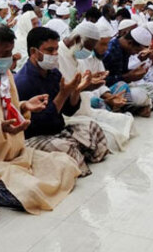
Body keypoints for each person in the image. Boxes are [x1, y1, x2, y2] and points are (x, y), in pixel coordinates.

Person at [0, 23, 80, 213]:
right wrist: (0, 128)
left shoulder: (4, 72)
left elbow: (4, 108)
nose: (10, 58)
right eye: (5, 53)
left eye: (11, 51)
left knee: (67, 165)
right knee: (30, 192)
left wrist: (25, 106)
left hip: (16, 151)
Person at [14, 27, 109, 176]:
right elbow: (41, 122)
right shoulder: (23, 82)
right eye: (49, 50)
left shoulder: (53, 72)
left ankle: (76, 158)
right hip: (35, 137)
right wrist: (64, 94)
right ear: (33, 52)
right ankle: (76, 159)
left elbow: (68, 110)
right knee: (65, 147)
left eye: (56, 50)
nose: (54, 55)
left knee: (92, 127)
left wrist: (76, 91)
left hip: (57, 130)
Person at [57, 22, 135, 151]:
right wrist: (86, 86)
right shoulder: (58, 55)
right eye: (89, 48)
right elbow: (64, 92)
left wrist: (92, 80)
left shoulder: (75, 53)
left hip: (86, 110)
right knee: (109, 138)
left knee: (126, 121)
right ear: (77, 39)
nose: (90, 52)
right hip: (70, 116)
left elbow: (82, 81)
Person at [102, 26, 153, 116]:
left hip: (125, 86)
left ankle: (144, 105)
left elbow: (123, 73)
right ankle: (141, 106)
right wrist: (127, 77)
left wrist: (135, 73)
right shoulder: (109, 51)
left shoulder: (124, 49)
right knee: (139, 94)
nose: (135, 53)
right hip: (111, 91)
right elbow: (103, 82)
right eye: (137, 50)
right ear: (130, 43)